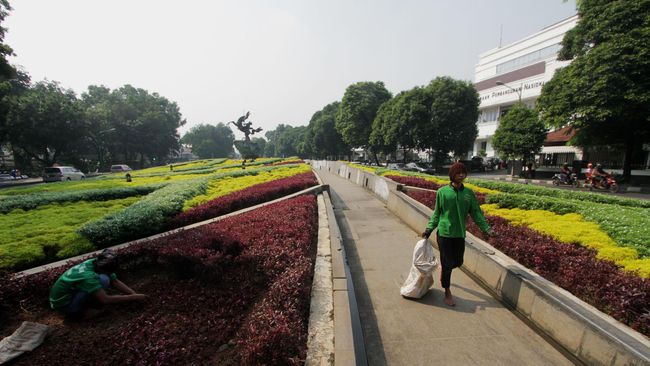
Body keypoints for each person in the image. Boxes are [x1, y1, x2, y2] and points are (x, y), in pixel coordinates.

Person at [421, 162, 491, 306]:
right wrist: (429, 229)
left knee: (458, 262)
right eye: (458, 173)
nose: (461, 175)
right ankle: (447, 290)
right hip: (444, 233)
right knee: (447, 264)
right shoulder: (442, 192)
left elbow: (476, 213)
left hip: (459, 233)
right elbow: (436, 214)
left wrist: (487, 229)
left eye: (463, 173)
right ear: (452, 175)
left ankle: (445, 269)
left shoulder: (468, 194)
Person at [49, 249, 146, 320]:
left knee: (104, 279)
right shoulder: (88, 276)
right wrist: (133, 297)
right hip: (64, 305)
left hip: (69, 294)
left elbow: (115, 281)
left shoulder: (94, 263)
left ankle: (88, 304)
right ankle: (77, 314)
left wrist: (133, 294)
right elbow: (105, 299)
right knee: (103, 280)